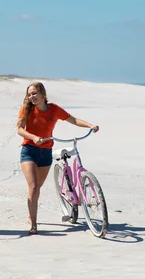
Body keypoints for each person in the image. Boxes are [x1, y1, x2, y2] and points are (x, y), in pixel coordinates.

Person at [16, 82, 99, 235]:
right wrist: (33, 137)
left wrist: (90, 126)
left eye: (34, 93)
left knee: (37, 188)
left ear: (42, 94)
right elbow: (20, 129)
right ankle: (33, 225)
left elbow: (72, 119)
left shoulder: (54, 109)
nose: (31, 97)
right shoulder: (27, 109)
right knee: (33, 188)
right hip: (29, 151)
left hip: (46, 153)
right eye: (29, 94)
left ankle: (30, 213)